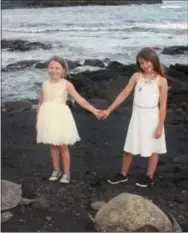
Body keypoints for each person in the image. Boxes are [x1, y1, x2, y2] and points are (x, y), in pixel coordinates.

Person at [99, 47, 168, 187]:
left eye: (147, 62)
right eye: (141, 63)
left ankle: (149, 176)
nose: (145, 65)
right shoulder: (136, 77)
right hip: (137, 116)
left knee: (154, 147)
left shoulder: (161, 81)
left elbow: (163, 106)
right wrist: (109, 110)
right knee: (129, 145)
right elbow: (124, 94)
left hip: (152, 117)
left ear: (154, 60)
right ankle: (123, 174)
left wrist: (160, 126)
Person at [36, 56, 99, 184]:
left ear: (63, 70)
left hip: (61, 117)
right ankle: (56, 170)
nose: (53, 70)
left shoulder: (66, 84)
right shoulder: (44, 84)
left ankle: (66, 172)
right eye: (51, 67)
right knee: (52, 144)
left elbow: (80, 99)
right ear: (48, 68)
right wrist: (37, 121)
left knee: (63, 145)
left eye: (57, 68)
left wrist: (94, 110)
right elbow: (40, 103)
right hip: (47, 116)